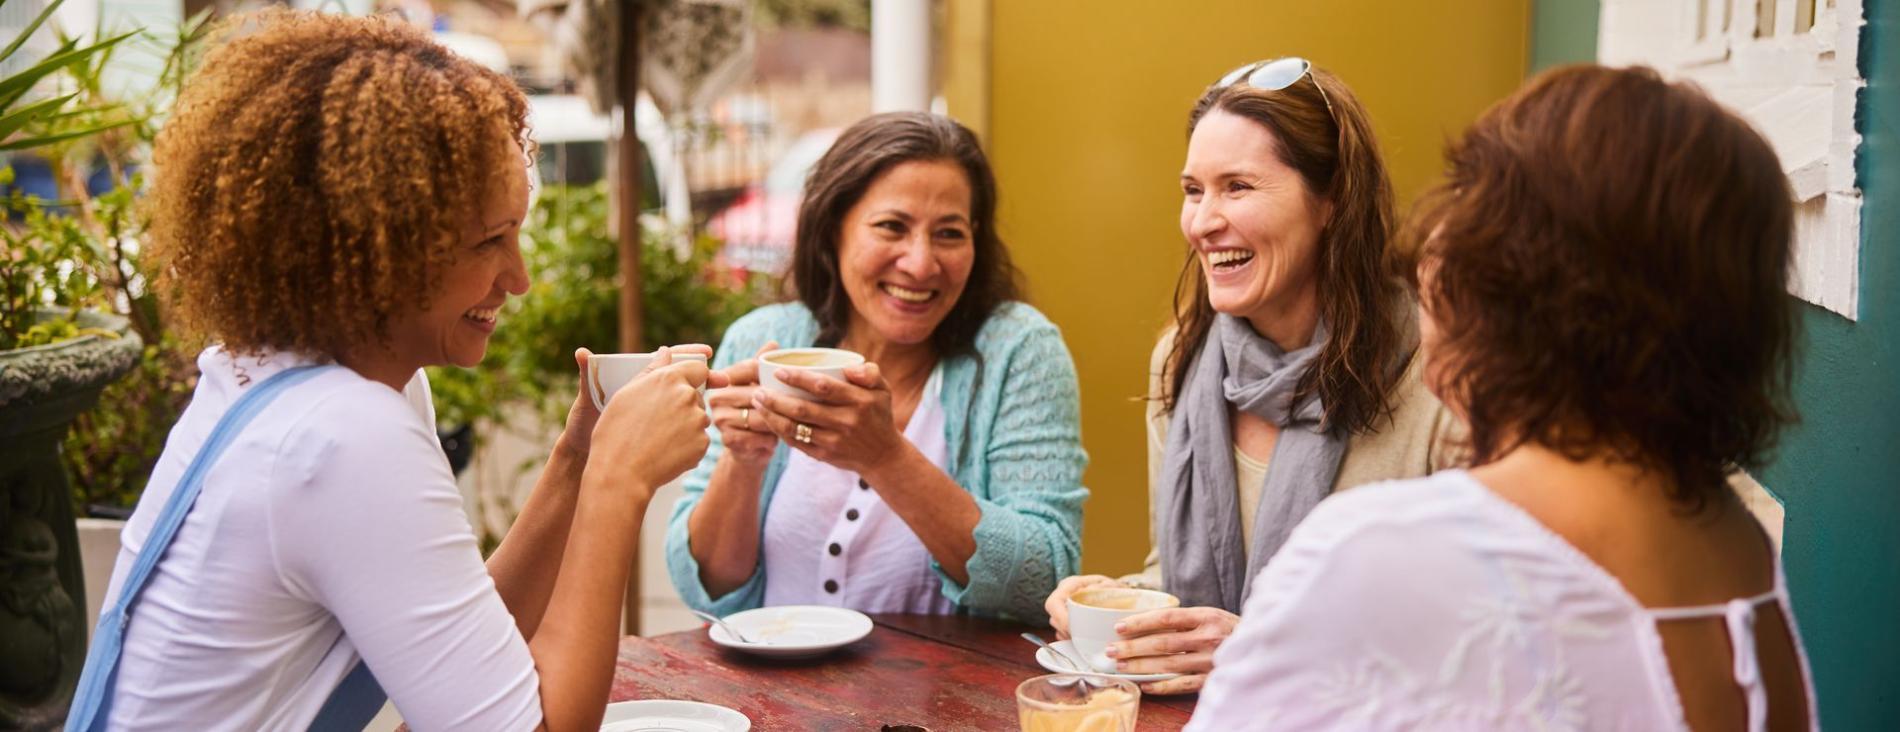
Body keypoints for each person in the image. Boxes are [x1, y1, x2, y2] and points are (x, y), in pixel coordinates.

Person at [67, 11, 717, 730]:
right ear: (378, 250)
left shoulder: (301, 380)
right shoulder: (341, 434)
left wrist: (576, 459)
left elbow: (460, 661)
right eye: (487, 242)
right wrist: (617, 484)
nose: (520, 277)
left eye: (517, 233)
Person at [1188, 65, 1816, 730]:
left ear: (1516, 279)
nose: (1432, 242)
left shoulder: (1373, 547)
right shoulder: (1738, 552)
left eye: (1469, 202)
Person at [1043, 57, 1459, 694]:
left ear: (1334, 200)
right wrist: (1111, 604)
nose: (1203, 222)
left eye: (1237, 187)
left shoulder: (1438, 373)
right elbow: (1184, 588)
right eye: (1193, 190)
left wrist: (1269, 648)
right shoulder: (1182, 360)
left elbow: (1466, 633)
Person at [664, 112, 1087, 622]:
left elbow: (1045, 577)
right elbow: (704, 586)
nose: (920, 263)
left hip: (944, 700)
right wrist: (743, 463)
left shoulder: (1018, 351)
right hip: (770, 697)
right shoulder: (762, 340)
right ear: (832, 230)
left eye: (949, 233)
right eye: (892, 227)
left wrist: (886, 458)